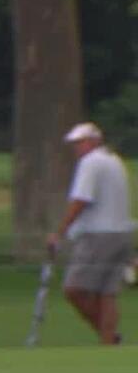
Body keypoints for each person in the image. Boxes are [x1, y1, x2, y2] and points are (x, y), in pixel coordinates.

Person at [47, 122, 132, 344]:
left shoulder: (90, 163)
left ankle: (110, 337)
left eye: (81, 142)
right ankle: (108, 342)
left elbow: (80, 200)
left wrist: (60, 232)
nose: (77, 148)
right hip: (122, 233)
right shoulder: (114, 161)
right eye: (75, 144)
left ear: (94, 141)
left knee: (73, 289)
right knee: (107, 293)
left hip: (98, 235)